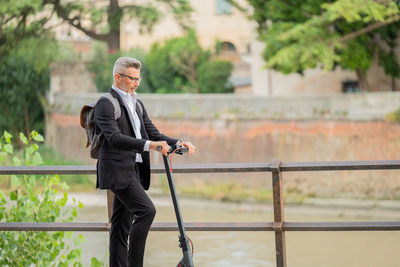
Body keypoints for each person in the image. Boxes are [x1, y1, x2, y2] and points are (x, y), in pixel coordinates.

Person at [94, 57, 196, 267]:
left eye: (138, 79)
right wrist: (151, 145)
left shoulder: (137, 104)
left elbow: (153, 132)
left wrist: (178, 143)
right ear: (117, 77)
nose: (136, 83)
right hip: (117, 171)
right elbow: (114, 138)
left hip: (135, 171)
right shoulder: (106, 103)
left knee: (121, 228)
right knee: (147, 211)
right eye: (132, 78)